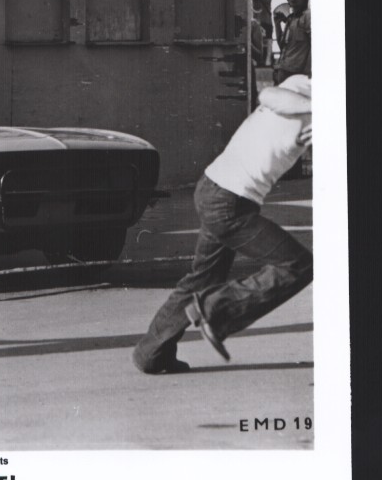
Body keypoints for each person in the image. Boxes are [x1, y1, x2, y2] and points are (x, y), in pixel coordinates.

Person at [132, 75, 313, 374]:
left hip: (215, 189)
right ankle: (214, 310)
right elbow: (268, 95)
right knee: (298, 265)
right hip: (229, 202)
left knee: (202, 278)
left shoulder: (308, 96)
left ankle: (150, 353)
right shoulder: (304, 91)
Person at [272, 0, 311, 85]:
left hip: (298, 74)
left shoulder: (308, 17)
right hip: (283, 71)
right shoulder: (290, 19)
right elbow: (282, 46)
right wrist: (277, 24)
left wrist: (308, 73)